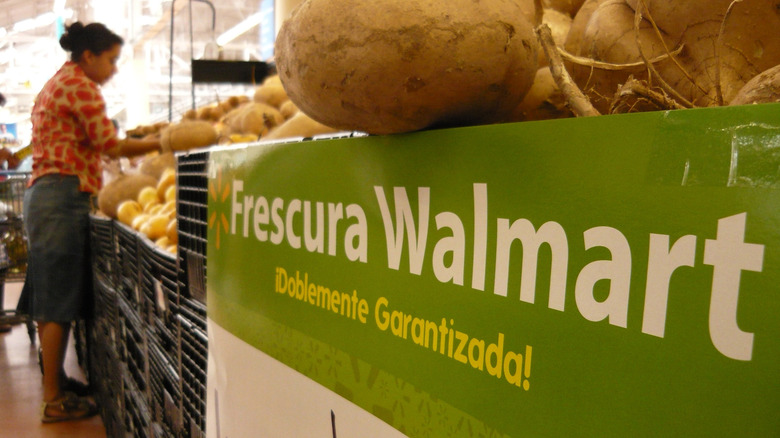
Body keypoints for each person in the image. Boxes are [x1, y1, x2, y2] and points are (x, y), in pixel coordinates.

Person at [17, 21, 163, 423]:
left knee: (53, 295)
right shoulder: (81, 86)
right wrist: (164, 141)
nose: (114, 68)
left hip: (48, 195)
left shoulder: (58, 81)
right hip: (61, 196)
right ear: (89, 57)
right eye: (112, 60)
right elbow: (110, 144)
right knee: (56, 301)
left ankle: (57, 382)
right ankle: (53, 400)